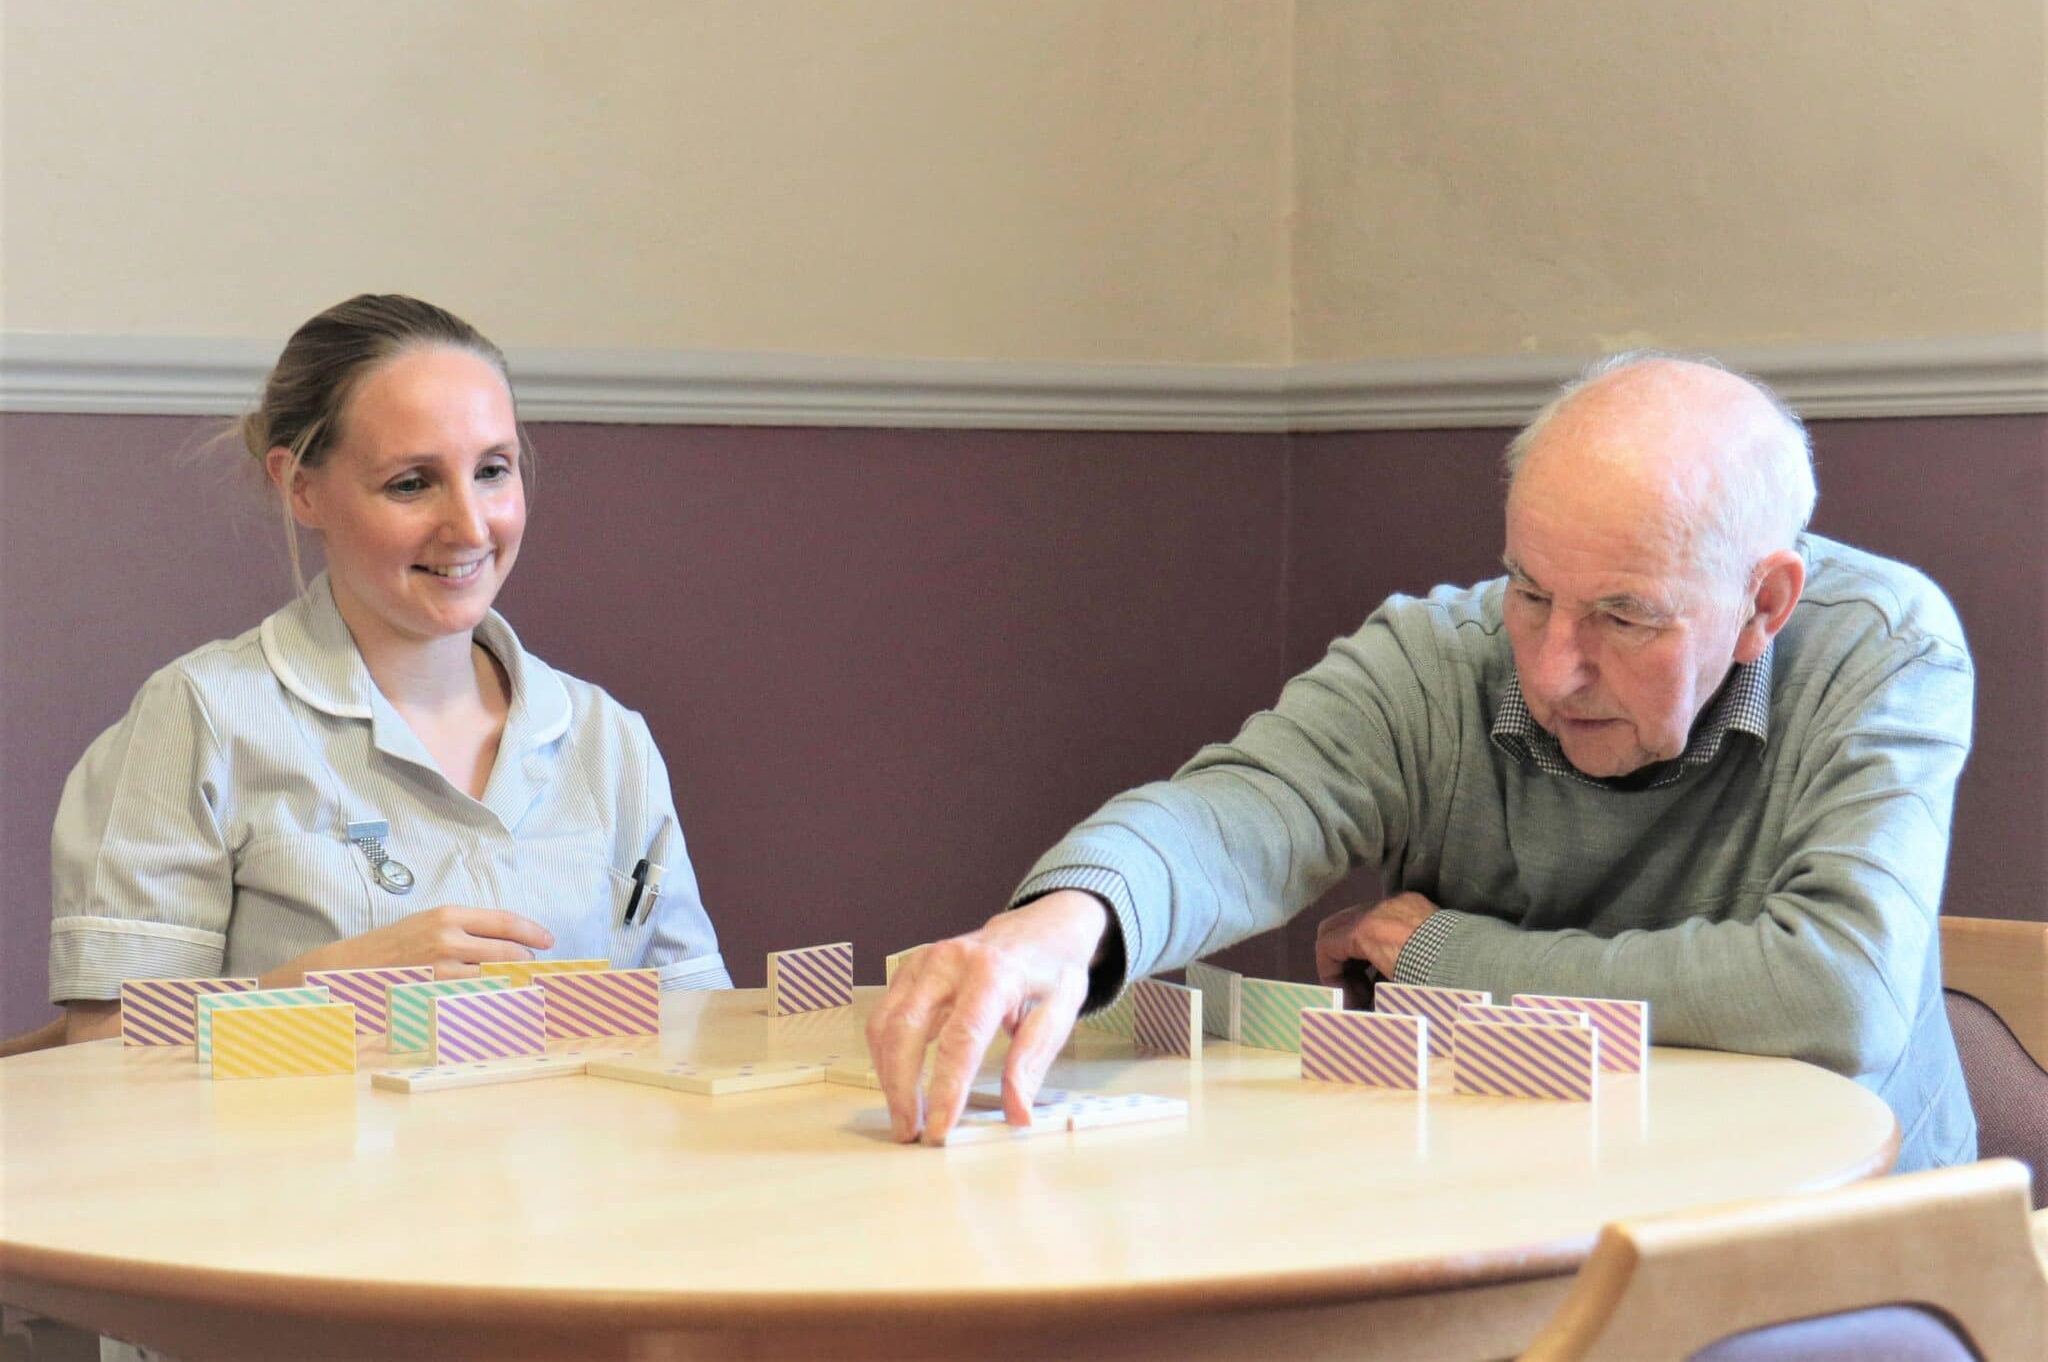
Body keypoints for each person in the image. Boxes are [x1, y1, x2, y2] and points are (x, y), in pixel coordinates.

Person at [869, 352, 1976, 1172]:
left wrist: (1445, 957)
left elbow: (1840, 990)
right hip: (1516, 1202)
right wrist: (1066, 923)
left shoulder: (1882, 645)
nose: (1549, 670)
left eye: (1622, 619)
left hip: (1836, 1242)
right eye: (1528, 590)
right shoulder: (1438, 654)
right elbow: (1241, 809)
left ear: (1762, 603)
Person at [40, 293, 729, 1045]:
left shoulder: (609, 740)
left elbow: (699, 1031)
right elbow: (103, 1052)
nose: (470, 526)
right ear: (301, 486)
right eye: (412, 482)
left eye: (493, 470)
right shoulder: (200, 717)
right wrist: (322, 994)